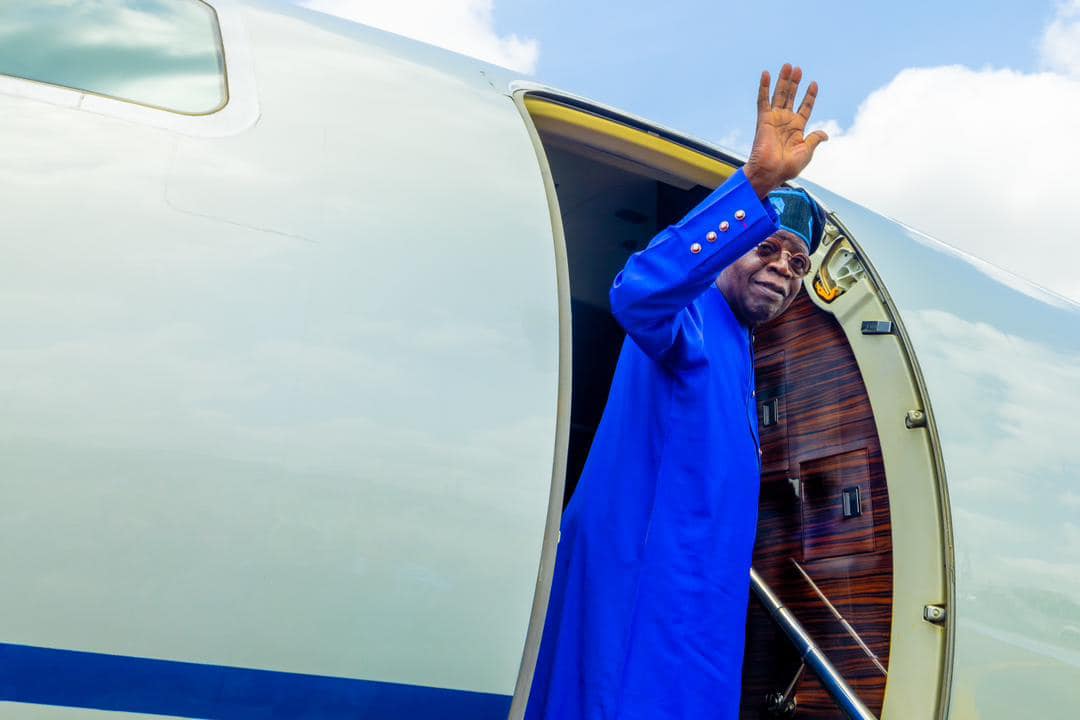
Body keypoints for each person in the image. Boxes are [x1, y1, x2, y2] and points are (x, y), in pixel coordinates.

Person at [525, 64, 829, 720]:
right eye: (768, 249)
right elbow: (638, 292)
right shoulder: (690, 314)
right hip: (643, 601)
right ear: (728, 250)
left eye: (798, 262)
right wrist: (756, 184)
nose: (783, 268)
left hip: (701, 617)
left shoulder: (740, 347)